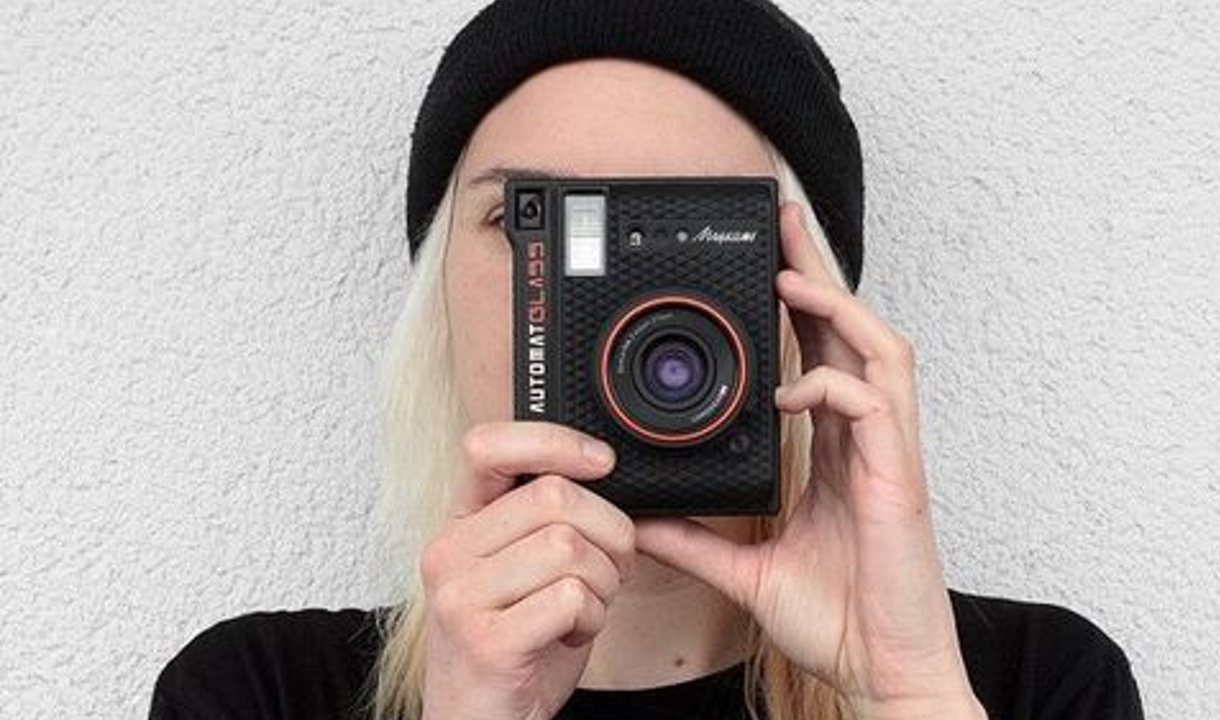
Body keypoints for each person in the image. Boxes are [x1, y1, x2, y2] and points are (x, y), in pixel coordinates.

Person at [148, 2, 1145, 719]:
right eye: (529, 220)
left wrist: (905, 688)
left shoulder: (1030, 686)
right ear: (437, 297)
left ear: (808, 303)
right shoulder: (256, 693)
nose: (621, 307)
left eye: (684, 227)